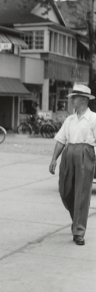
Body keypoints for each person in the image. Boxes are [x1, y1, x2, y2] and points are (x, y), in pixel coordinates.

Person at [49, 84, 96, 246]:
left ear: (83, 100)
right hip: (69, 154)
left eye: (74, 98)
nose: (72, 101)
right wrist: (54, 159)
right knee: (65, 191)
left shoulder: (93, 119)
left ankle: (79, 231)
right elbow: (61, 140)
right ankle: (76, 219)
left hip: (85, 154)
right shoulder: (70, 119)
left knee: (82, 194)